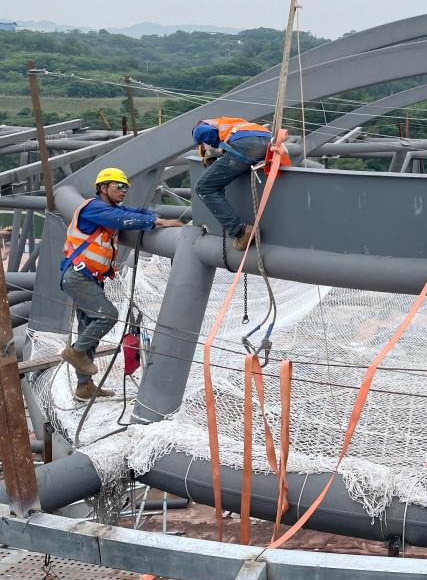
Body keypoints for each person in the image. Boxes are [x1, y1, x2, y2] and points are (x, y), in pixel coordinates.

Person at [60, 167, 184, 401]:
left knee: (88, 328)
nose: (124, 191)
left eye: (126, 186)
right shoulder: (94, 208)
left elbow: (132, 211)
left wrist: (154, 217)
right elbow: (122, 219)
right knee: (107, 316)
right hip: (79, 277)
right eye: (119, 186)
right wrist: (157, 222)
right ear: (103, 188)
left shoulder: (109, 208)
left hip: (88, 278)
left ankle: (84, 387)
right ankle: (75, 352)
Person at [192, 117, 272, 250]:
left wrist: (219, 148)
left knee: (204, 187)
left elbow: (205, 132)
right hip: (267, 142)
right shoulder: (229, 122)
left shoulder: (200, 126)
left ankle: (240, 231)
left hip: (245, 144)